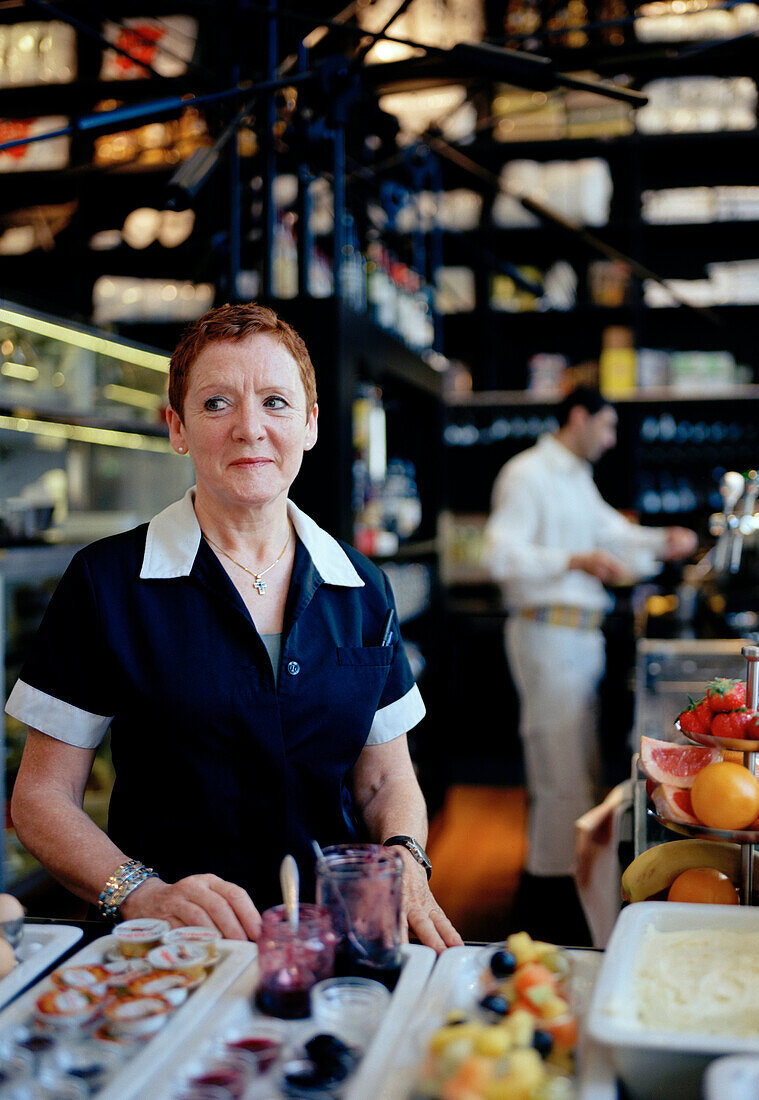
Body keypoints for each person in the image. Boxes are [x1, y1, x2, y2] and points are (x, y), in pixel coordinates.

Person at [6, 302, 461, 952]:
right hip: (168, 947)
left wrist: (407, 857)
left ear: (309, 425)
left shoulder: (362, 588)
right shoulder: (105, 584)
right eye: (217, 403)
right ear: (177, 427)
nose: (249, 428)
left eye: (276, 402)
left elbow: (387, 780)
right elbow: (41, 798)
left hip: (331, 940)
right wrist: (142, 892)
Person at [483, 386, 696, 943]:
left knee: (574, 775)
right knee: (559, 777)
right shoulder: (528, 474)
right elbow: (497, 554)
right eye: (606, 425)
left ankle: (563, 897)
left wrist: (662, 540)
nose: (610, 438)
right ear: (578, 417)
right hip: (547, 632)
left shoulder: (574, 476)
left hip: (579, 638)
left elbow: (615, 534)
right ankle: (546, 911)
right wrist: (573, 560)